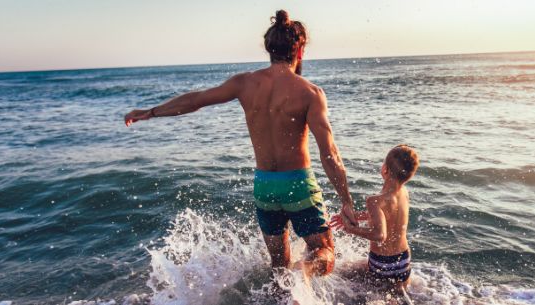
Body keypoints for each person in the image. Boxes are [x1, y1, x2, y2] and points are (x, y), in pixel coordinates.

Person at [124, 9, 359, 278]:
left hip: (264, 187)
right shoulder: (310, 93)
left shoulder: (245, 83)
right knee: (324, 255)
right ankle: (304, 272)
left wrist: (151, 112)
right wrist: (346, 200)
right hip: (297, 184)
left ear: (269, 49)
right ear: (300, 50)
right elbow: (329, 153)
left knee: (279, 268)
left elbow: (195, 100)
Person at [331, 145, 419, 300]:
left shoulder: (374, 200)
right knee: (400, 296)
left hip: (382, 262)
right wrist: (357, 216)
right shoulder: (404, 193)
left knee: (344, 275)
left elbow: (380, 235)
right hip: (404, 259)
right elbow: (387, 216)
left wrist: (350, 229)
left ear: (384, 169)